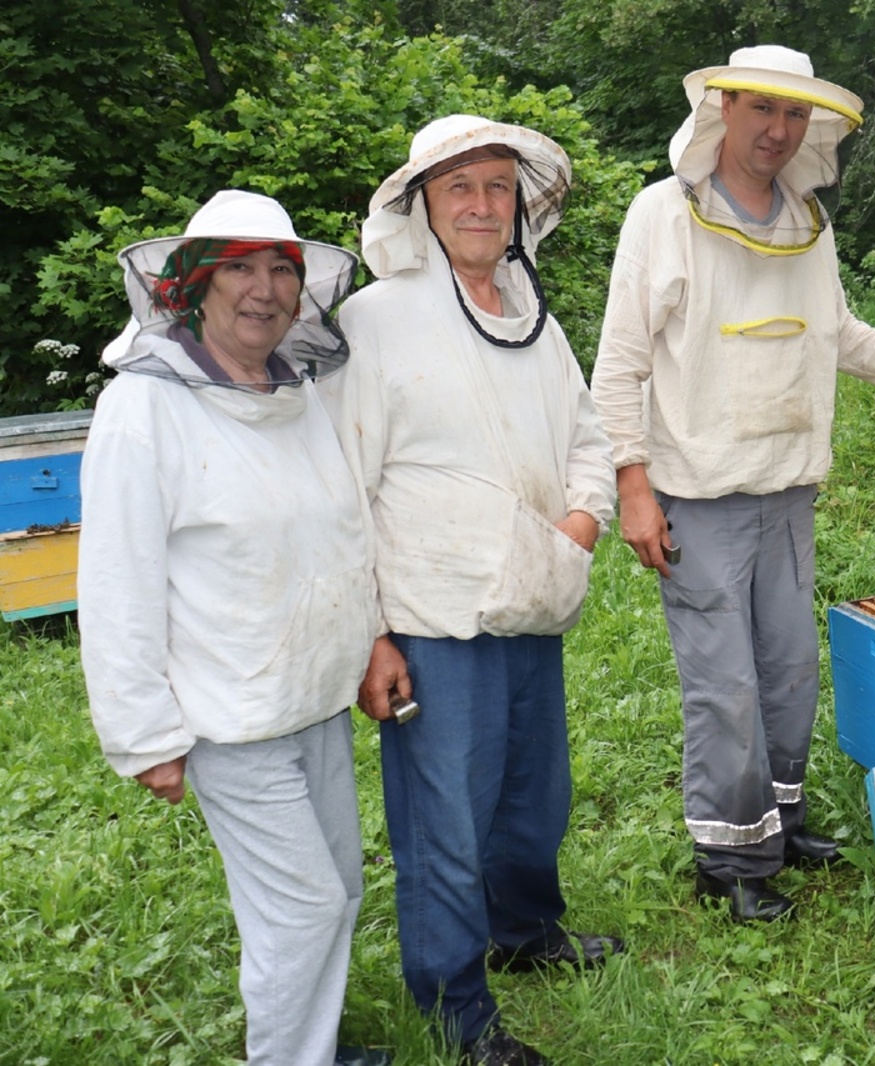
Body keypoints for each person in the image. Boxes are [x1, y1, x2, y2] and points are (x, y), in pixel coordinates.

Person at [589, 46, 875, 923]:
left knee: (787, 670)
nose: (778, 130)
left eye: (795, 115)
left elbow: (835, 329)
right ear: (723, 109)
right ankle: (729, 860)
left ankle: (782, 819)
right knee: (723, 684)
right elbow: (618, 365)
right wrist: (632, 486)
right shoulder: (664, 214)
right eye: (762, 110)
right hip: (696, 492)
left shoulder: (806, 217)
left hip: (787, 488)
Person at [325, 115, 620, 1066]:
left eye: (499, 187)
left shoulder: (533, 312)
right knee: (445, 815)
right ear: (422, 206)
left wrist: (580, 521)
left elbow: (587, 432)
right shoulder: (376, 318)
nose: (483, 205)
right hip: (432, 616)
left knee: (537, 793)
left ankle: (527, 934)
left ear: (522, 204)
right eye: (461, 188)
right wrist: (372, 634)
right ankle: (457, 1007)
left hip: (533, 596)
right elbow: (343, 485)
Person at [78, 190, 387, 1065]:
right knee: (303, 907)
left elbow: (342, 535)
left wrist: (368, 643)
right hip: (232, 713)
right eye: (239, 269)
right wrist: (144, 735)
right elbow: (116, 581)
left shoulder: (298, 394)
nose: (264, 289)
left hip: (315, 697)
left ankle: (315, 1044)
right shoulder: (143, 409)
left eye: (281, 270)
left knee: (339, 889)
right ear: (193, 287)